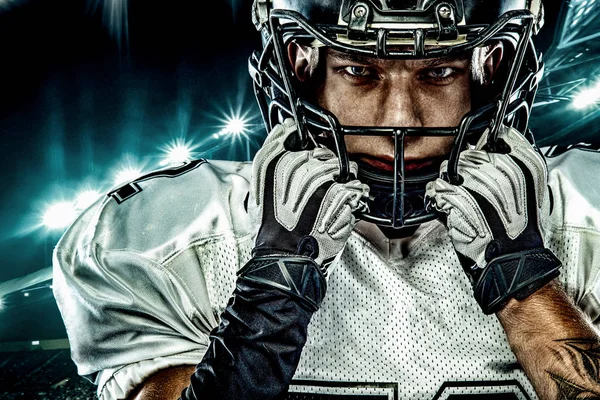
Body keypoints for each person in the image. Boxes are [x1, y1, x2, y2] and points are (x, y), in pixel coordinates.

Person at [52, 0, 600, 399]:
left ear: (491, 75)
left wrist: (524, 277)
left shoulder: (583, 213)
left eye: (439, 71)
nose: (399, 119)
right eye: (359, 71)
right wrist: (275, 284)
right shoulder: (177, 239)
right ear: (301, 69)